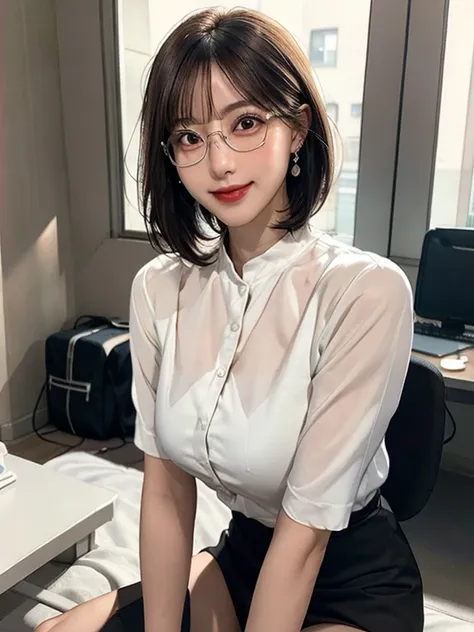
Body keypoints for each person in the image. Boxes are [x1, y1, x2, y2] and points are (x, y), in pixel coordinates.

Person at [36, 7, 423, 632]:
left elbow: (305, 538)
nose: (218, 163)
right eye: (189, 136)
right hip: (243, 551)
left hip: (347, 572)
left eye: (245, 123)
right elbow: (164, 490)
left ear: (296, 129)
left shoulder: (363, 292)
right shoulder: (160, 289)